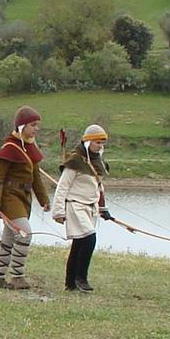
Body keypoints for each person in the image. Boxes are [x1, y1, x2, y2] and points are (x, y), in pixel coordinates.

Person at [0, 106, 50, 290]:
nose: (36, 128)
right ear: (22, 126)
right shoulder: (9, 148)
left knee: (8, 240)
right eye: (33, 125)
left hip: (23, 198)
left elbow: (36, 178)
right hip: (9, 198)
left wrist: (44, 200)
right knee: (25, 234)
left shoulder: (29, 146)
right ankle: (17, 276)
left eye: (37, 125)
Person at [52, 125, 112, 292]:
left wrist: (103, 208)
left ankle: (70, 283)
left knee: (78, 243)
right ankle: (81, 278)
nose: (100, 146)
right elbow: (62, 187)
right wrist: (58, 211)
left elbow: (98, 187)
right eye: (97, 142)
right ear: (88, 142)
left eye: (102, 143)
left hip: (90, 207)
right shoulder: (75, 160)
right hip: (75, 205)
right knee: (89, 238)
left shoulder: (98, 161)